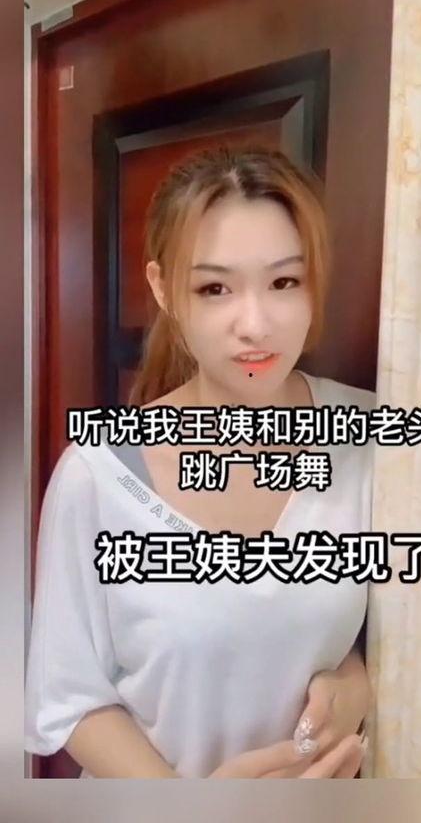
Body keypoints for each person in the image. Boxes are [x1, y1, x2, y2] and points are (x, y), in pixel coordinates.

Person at [25, 146, 375, 778]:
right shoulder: (98, 474)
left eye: (284, 282)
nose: (255, 324)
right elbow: (69, 700)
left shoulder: (372, 440)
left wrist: (356, 681)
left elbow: (387, 626)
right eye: (215, 288)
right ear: (163, 289)